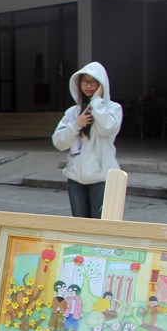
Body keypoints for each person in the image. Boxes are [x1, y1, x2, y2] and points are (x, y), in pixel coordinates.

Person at [51, 61, 122, 218]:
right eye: (85, 81)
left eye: (93, 82)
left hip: (102, 178)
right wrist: (76, 124)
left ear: (102, 84)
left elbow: (107, 128)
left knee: (99, 230)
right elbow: (59, 142)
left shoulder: (113, 109)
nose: (88, 86)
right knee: (80, 229)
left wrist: (96, 102)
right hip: (76, 178)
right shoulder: (73, 112)